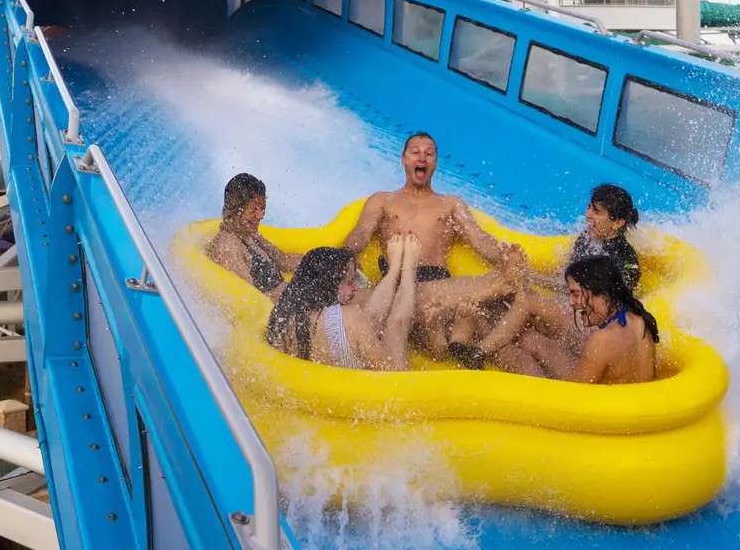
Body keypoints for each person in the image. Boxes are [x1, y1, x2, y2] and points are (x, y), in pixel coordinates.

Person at [342, 132, 522, 362]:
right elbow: (362, 231)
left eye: (429, 154)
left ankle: (439, 336)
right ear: (403, 159)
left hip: (436, 280)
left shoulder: (450, 204)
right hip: (395, 281)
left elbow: (478, 238)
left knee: (486, 324)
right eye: (415, 152)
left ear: (435, 163)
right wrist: (346, 254)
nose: (422, 158)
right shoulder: (382, 200)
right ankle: (447, 327)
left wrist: (502, 255)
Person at [479, 255, 659, 384]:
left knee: (522, 352)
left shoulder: (602, 339)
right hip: (620, 398)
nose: (571, 302)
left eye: (575, 294)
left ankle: (479, 342)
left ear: (601, 293)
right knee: (537, 342)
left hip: (599, 411)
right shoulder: (639, 321)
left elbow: (571, 397)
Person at [265, 233, 422, 370]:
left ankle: (393, 270)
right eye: (350, 282)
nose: (356, 288)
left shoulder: (285, 317)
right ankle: (408, 270)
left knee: (371, 317)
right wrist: (409, 270)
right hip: (380, 384)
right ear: (327, 284)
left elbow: (369, 318)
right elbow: (394, 374)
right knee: (396, 324)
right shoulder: (352, 319)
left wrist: (393, 271)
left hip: (328, 370)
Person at [206, 173, 302, 300]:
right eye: (253, 210)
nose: (260, 215)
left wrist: (314, 260)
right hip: (285, 306)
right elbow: (249, 298)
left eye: (262, 208)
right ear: (235, 211)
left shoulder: (248, 234)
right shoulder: (229, 247)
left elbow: (284, 261)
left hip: (291, 297)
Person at [567, 184, 641, 291]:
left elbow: (619, 294)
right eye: (589, 207)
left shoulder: (624, 257)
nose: (587, 215)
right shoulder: (585, 237)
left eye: (596, 212)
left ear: (617, 223)